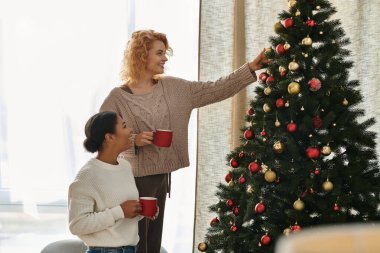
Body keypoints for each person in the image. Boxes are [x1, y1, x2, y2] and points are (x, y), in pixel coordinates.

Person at [100, 29, 268, 253]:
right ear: (141, 55)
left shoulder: (174, 88)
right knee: (134, 243)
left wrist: (249, 69)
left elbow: (215, 88)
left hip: (160, 176)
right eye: (159, 53)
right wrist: (133, 140)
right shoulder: (118, 97)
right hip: (131, 180)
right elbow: (99, 135)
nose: (165, 58)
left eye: (165, 52)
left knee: (152, 243)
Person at [68, 111, 157, 253]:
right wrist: (119, 211)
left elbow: (124, 214)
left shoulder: (125, 166)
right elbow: (77, 225)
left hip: (132, 249)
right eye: (124, 126)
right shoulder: (87, 176)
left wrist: (141, 210)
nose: (130, 130)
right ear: (109, 137)